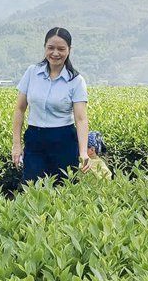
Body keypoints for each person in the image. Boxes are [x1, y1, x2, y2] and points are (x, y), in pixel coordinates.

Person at [12, 27, 92, 184]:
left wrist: (83, 151)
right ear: (45, 48)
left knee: (64, 190)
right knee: (32, 189)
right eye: (51, 48)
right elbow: (20, 109)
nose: (55, 53)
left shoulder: (76, 80)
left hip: (64, 141)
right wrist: (16, 144)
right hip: (34, 139)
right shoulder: (32, 72)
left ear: (69, 50)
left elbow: (81, 119)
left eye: (61, 49)